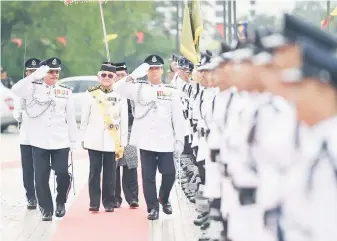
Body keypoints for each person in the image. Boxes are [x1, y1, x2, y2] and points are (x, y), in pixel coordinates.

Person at [113, 54, 186, 220]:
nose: (154, 71)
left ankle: (164, 197)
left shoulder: (171, 92)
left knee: (169, 173)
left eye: (157, 68)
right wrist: (133, 75)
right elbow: (116, 88)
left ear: (161, 70)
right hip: (146, 140)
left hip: (165, 140)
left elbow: (178, 117)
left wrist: (180, 139)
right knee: (148, 177)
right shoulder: (138, 88)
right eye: (150, 68)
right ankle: (152, 208)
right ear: (146, 71)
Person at [11, 57, 77, 221]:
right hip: (39, 141)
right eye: (51, 71)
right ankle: (46, 209)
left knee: (62, 173)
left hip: (60, 141)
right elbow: (15, 89)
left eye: (57, 72)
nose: (54, 74)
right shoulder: (31, 88)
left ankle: (61, 201)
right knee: (40, 177)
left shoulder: (65, 92)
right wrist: (34, 76)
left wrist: (73, 142)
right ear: (43, 72)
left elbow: (71, 118)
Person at [79, 62, 128, 212]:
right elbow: (84, 119)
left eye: (110, 75)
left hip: (112, 141)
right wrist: (82, 137)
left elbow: (124, 120)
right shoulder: (90, 94)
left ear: (114, 78)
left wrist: (123, 141)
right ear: (99, 77)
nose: (106, 78)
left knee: (110, 173)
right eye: (104, 75)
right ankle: (94, 202)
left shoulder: (120, 96)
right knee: (94, 171)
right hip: (93, 140)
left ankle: (108, 202)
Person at [13, 58, 41, 210]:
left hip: (42, 137)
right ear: (27, 72)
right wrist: (18, 114)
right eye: (31, 71)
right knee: (28, 168)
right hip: (26, 137)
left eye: (36, 71)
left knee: (42, 169)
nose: (33, 74)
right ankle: (30, 196)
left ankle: (41, 194)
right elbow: (16, 109)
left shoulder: (44, 87)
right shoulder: (21, 88)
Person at [113, 62, 139, 209]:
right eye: (118, 76)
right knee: (114, 166)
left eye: (123, 75)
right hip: (114, 131)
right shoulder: (110, 92)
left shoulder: (133, 91)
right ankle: (115, 198)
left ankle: (132, 197)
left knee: (131, 164)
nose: (121, 78)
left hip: (130, 129)